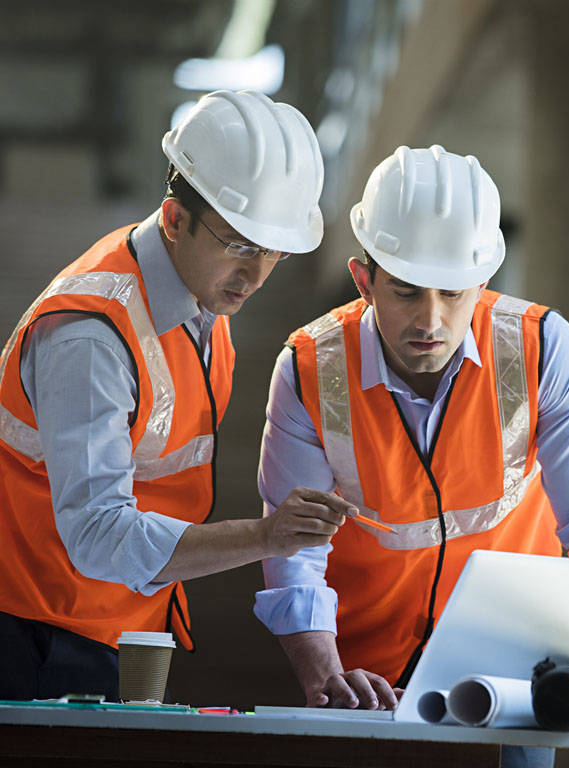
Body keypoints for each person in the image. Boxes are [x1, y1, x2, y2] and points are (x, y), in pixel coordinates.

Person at [254, 145, 569, 766]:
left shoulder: (544, 352)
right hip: (364, 675)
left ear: (482, 283)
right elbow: (293, 550)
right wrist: (323, 670)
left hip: (516, 673)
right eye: (405, 292)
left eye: (453, 293)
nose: (429, 320)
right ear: (363, 279)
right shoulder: (308, 370)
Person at [0, 90, 357, 702]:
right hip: (34, 635)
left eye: (274, 249)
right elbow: (97, 536)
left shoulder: (202, 303)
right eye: (240, 244)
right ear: (173, 219)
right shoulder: (90, 337)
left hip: (123, 626)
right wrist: (266, 537)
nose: (257, 273)